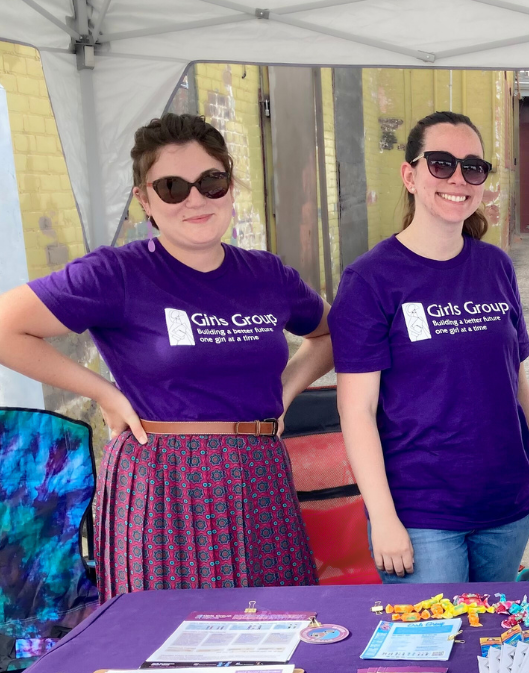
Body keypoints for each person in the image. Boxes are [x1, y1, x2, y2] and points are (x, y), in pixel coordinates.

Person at [0, 113, 332, 599]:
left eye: (211, 182)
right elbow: (8, 328)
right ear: (145, 200)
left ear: (230, 185)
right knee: (166, 644)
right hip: (162, 479)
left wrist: (284, 393)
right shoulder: (117, 273)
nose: (195, 199)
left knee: (277, 627)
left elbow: (332, 334)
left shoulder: (268, 275)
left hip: (260, 477)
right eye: (172, 187)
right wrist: (104, 395)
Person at [331, 110, 529, 584]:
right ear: (410, 175)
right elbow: (357, 411)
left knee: (495, 641)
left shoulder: (495, 266)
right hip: (421, 513)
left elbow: (514, 381)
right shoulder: (371, 279)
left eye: (472, 167)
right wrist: (384, 518)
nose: (458, 178)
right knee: (435, 652)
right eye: (441, 164)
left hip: (505, 505)